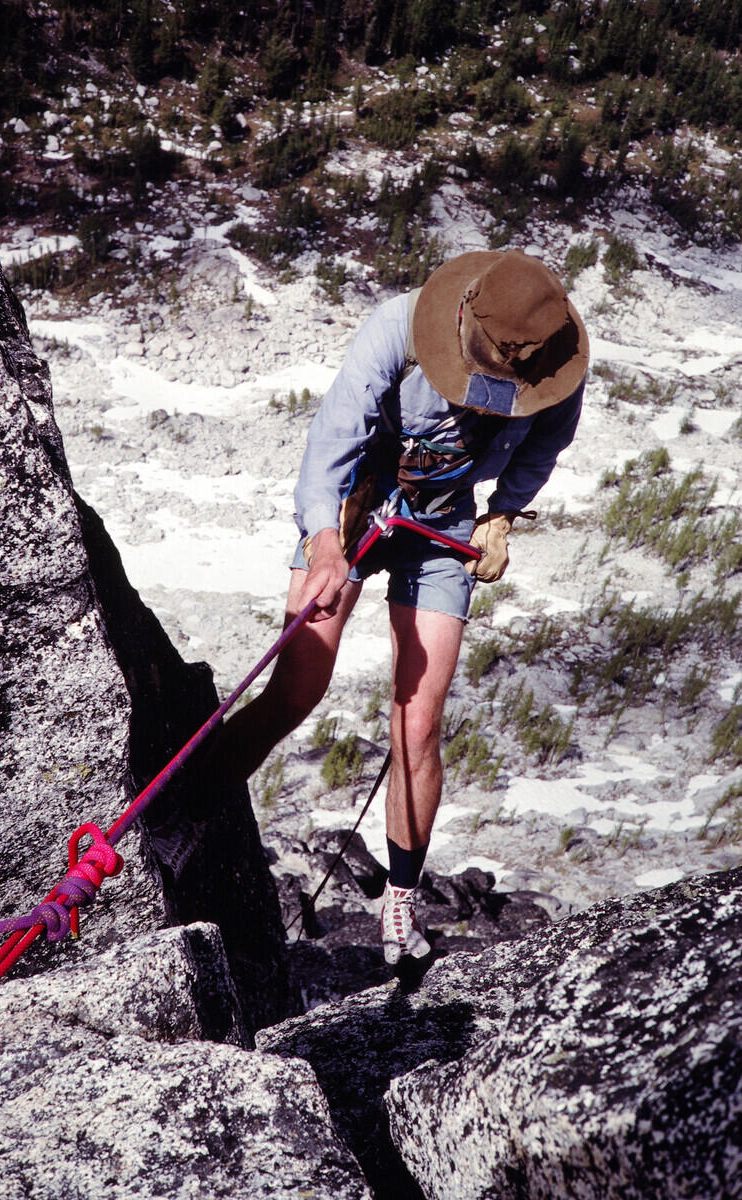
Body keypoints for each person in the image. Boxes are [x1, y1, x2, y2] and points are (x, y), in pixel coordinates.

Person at [218, 249, 588, 965]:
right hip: (356, 508)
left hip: (444, 525)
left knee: (418, 723)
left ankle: (401, 899)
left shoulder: (556, 364)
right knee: (296, 689)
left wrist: (503, 516)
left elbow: (545, 445)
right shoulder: (396, 328)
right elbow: (331, 440)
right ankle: (196, 808)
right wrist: (325, 544)